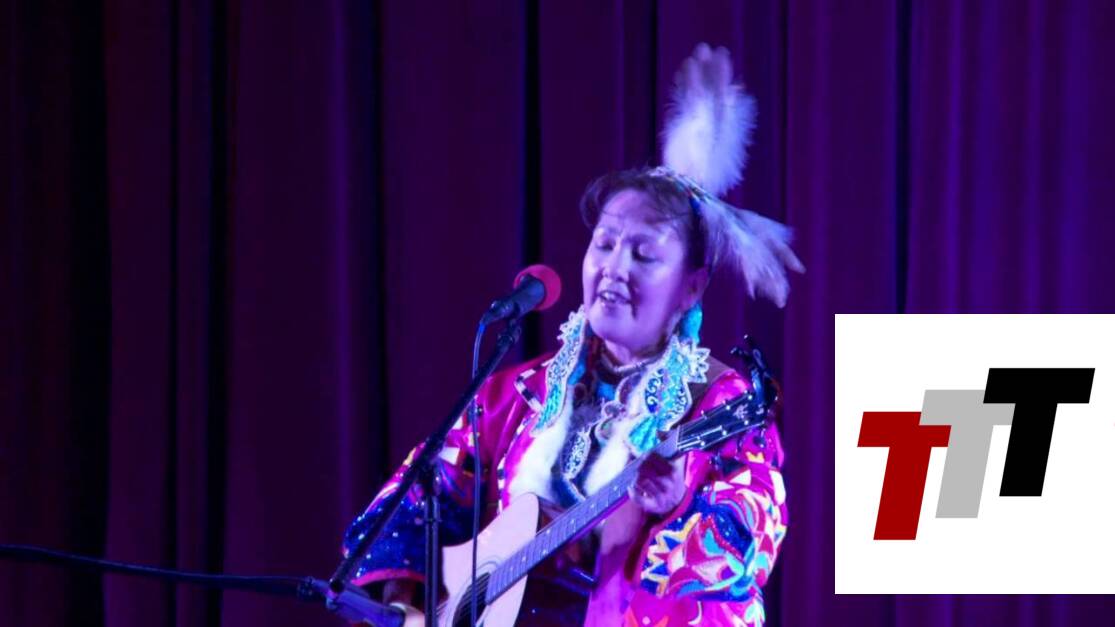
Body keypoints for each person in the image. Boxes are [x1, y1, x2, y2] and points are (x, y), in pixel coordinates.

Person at [342, 43, 804, 627]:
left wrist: (672, 506)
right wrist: (406, 604)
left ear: (691, 287)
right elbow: (417, 496)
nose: (614, 268)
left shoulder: (720, 402)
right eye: (605, 243)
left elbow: (747, 538)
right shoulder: (517, 393)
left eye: (644, 254)